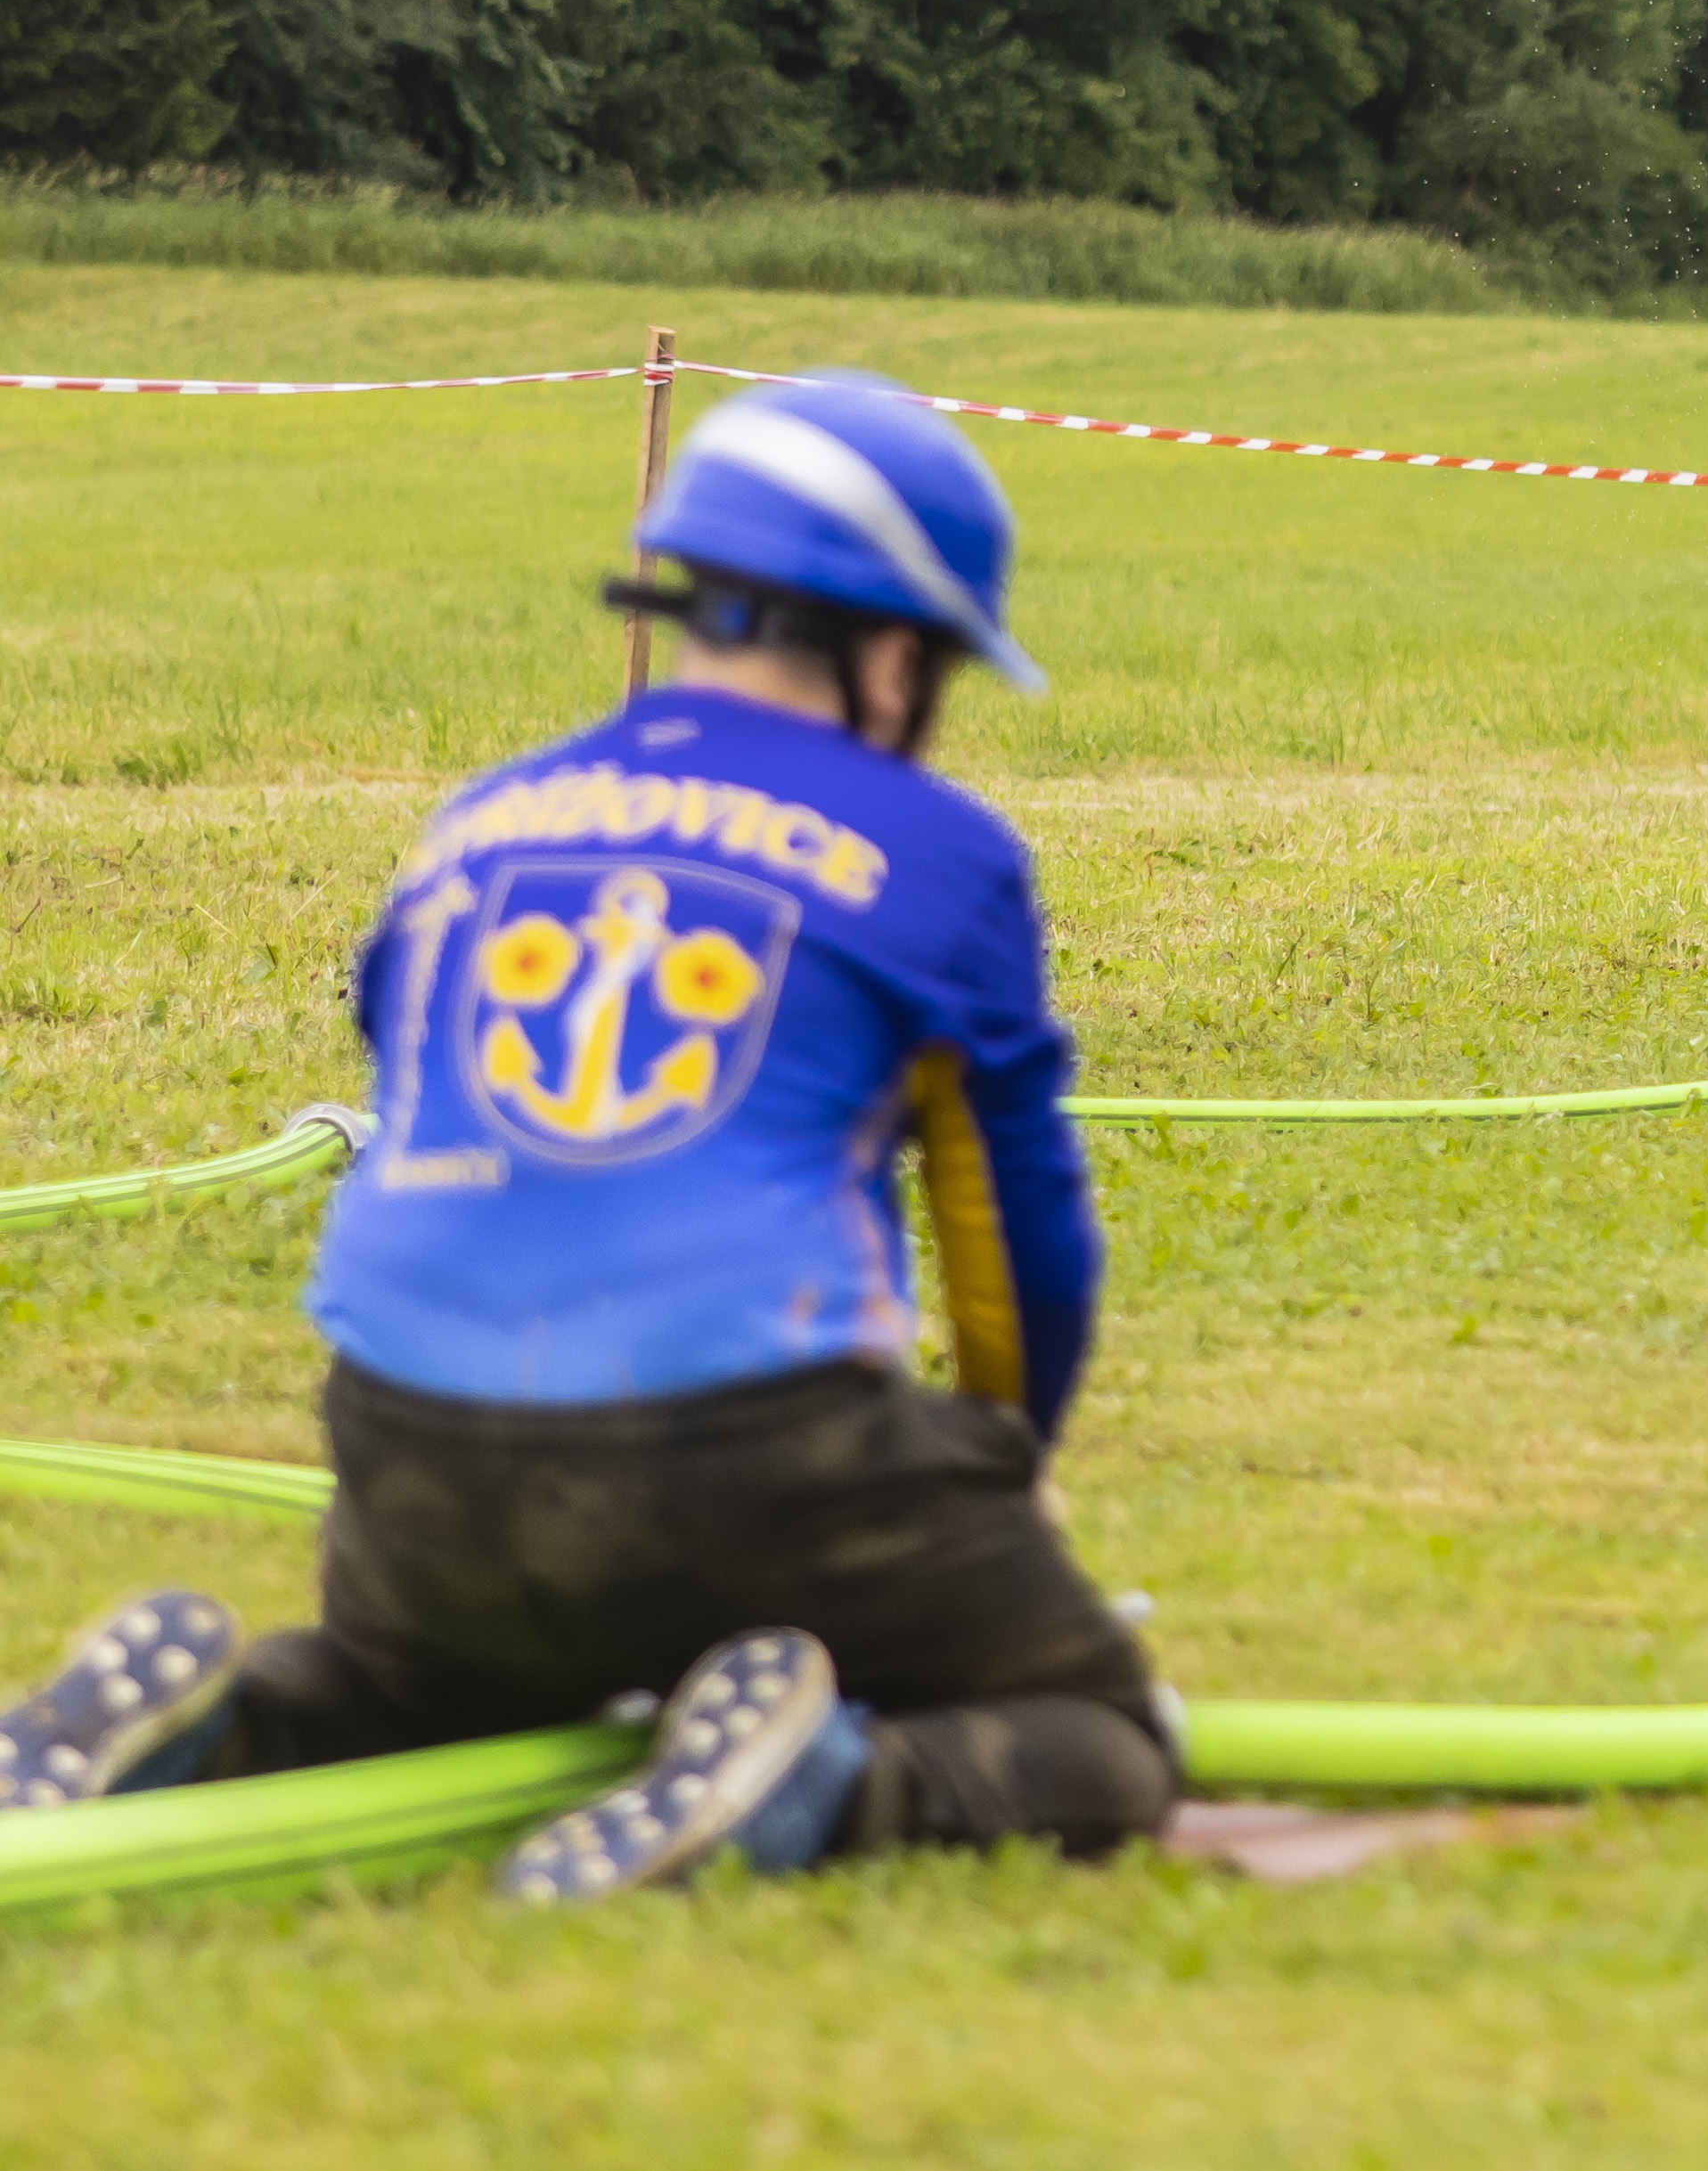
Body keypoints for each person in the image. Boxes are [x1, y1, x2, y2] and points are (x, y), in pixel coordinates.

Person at [0, 373, 1173, 1895]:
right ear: (892, 655)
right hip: (752, 1457)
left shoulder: (482, 816)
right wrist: (1006, 1450)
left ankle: (225, 1726)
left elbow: (422, 1089)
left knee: (418, 1689)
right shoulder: (938, 851)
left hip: (411, 1453)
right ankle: (820, 1782)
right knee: (1105, 1727)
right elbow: (1019, 1232)